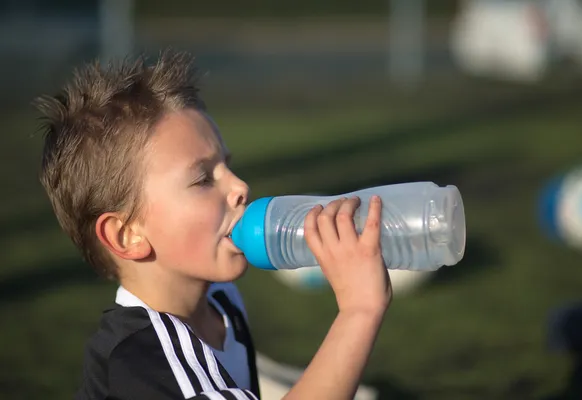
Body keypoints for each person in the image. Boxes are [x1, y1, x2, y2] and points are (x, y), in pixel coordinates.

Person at [35, 50, 392, 400]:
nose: (240, 187)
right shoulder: (143, 360)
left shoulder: (220, 298)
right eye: (204, 179)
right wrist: (359, 310)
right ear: (127, 235)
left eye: (227, 166)